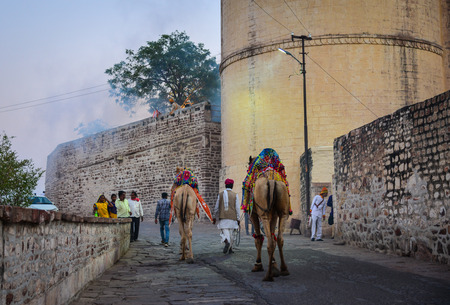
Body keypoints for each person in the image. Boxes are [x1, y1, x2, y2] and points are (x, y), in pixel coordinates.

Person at [213, 178, 240, 254]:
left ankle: (226, 241)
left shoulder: (220, 195)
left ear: (225, 185)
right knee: (232, 235)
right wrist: (238, 218)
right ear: (232, 186)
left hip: (223, 218)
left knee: (225, 233)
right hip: (232, 218)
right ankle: (230, 248)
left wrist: (214, 216)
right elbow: (237, 208)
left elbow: (216, 207)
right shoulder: (235, 195)